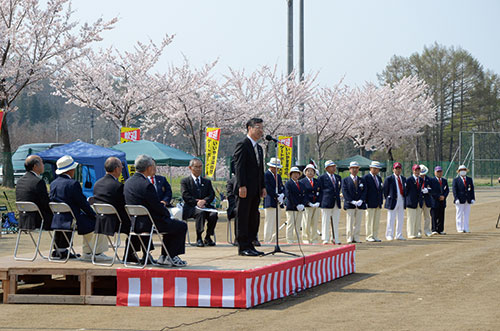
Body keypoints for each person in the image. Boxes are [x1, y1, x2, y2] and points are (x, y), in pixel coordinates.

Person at [124, 154, 187, 266]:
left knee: (171, 224)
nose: (154, 168)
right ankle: (170, 256)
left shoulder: (128, 182)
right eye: (153, 166)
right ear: (148, 168)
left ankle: (165, 256)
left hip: (134, 222)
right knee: (181, 226)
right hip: (149, 223)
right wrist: (167, 214)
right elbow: (156, 206)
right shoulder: (146, 185)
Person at [50, 155, 111, 262]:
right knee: (99, 220)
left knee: (90, 220)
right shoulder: (73, 184)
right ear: (70, 170)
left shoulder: (53, 184)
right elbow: (82, 203)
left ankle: (62, 249)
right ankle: (96, 252)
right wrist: (93, 214)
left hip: (57, 218)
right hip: (71, 219)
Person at [93, 156, 142, 263]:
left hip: (100, 221)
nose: (122, 169)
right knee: (138, 224)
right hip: (115, 222)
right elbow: (124, 205)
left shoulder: (97, 184)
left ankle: (132, 254)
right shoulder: (118, 186)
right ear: (116, 169)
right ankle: (130, 254)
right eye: (121, 166)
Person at [233, 118, 266, 257]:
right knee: (243, 216)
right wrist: (241, 185)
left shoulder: (259, 148)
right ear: (249, 128)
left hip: (256, 188)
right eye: (257, 127)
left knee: (253, 216)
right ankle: (242, 246)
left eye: (262, 128)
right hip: (245, 188)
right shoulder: (242, 144)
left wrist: (262, 186)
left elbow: (260, 169)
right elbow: (239, 167)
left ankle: (251, 244)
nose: (260, 131)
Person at [180, 158, 218, 247]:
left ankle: (208, 236)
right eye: (196, 167)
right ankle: (199, 237)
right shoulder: (185, 181)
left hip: (205, 206)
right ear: (190, 168)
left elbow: (211, 194)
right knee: (200, 213)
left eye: (200, 167)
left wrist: (204, 201)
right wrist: (196, 202)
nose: (198, 169)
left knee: (213, 214)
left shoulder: (207, 181)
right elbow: (185, 195)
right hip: (191, 208)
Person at [318, 160, 342, 244]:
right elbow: (320, 190)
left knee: (335, 220)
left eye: (334, 166)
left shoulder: (338, 177)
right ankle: (325, 238)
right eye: (332, 166)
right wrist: (321, 202)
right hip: (326, 201)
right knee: (326, 220)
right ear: (327, 168)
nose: (334, 168)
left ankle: (335, 238)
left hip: (336, 202)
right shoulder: (322, 178)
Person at [342, 161, 366, 244]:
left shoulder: (361, 180)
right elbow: (345, 192)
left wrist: (361, 200)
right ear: (349, 169)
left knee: (358, 222)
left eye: (356, 168)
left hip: (359, 204)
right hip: (350, 204)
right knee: (350, 221)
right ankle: (349, 237)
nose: (355, 170)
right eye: (353, 168)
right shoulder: (345, 180)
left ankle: (356, 237)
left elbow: (364, 191)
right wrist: (351, 201)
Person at [263, 157, 285, 243]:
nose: (277, 169)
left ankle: (274, 239)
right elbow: (268, 188)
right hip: (270, 201)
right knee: (269, 222)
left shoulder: (278, 176)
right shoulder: (266, 175)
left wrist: (282, 194)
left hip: (278, 202)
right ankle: (267, 240)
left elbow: (281, 187)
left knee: (277, 222)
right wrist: (276, 195)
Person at [384, 162, 406, 241]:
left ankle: (399, 234)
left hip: (401, 199)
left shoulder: (403, 179)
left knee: (400, 218)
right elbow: (385, 190)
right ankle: (389, 234)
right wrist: (389, 197)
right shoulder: (389, 179)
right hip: (392, 200)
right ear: (393, 169)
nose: (398, 170)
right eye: (396, 168)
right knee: (391, 218)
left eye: (399, 169)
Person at [363, 161, 384, 242]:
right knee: (369, 220)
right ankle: (369, 236)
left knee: (376, 220)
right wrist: (366, 202)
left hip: (378, 202)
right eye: (374, 168)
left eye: (377, 169)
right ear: (370, 168)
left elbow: (380, 190)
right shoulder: (366, 178)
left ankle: (375, 235)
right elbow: (365, 191)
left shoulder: (379, 178)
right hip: (370, 202)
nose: (376, 170)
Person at [284, 166, 305, 243]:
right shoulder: (288, 183)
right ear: (291, 175)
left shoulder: (301, 184)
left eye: (297, 174)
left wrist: (302, 204)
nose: (296, 175)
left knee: (298, 225)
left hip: (300, 207)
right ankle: (289, 240)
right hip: (291, 207)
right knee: (290, 224)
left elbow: (304, 195)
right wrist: (296, 204)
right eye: (294, 174)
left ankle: (297, 239)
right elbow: (289, 195)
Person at [300, 164, 320, 244]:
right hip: (307, 205)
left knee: (315, 223)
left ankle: (314, 239)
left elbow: (320, 192)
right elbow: (303, 194)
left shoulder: (317, 181)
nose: (310, 173)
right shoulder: (302, 182)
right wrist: (308, 203)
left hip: (316, 205)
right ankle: (306, 239)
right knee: (306, 223)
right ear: (305, 172)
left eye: (312, 171)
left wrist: (318, 202)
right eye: (308, 171)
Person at [452, 165, 475, 233]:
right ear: (459, 172)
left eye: (464, 170)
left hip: (468, 199)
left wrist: (473, 198)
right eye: (461, 170)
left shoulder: (469, 179)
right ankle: (459, 228)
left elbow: (472, 189)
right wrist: (456, 198)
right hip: (459, 199)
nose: (463, 171)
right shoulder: (456, 180)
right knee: (459, 214)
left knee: (466, 214)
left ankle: (466, 228)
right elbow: (454, 190)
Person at [406, 164, 424, 239]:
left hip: (419, 202)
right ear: (413, 171)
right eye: (415, 170)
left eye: (418, 170)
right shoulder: (409, 180)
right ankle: (410, 233)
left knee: (418, 219)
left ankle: (416, 233)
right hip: (411, 202)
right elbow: (406, 191)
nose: (417, 172)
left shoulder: (421, 180)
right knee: (411, 218)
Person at [430, 166, 449, 235]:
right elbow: (431, 191)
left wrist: (444, 196)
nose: (439, 173)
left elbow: (447, 190)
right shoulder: (432, 180)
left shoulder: (444, 180)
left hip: (442, 201)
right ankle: (434, 229)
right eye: (438, 172)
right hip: (434, 201)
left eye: (440, 171)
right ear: (435, 172)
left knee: (441, 216)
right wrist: (438, 196)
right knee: (434, 216)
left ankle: (440, 229)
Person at [418, 165, 434, 237]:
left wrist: (427, 190)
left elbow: (432, 189)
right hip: (419, 200)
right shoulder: (417, 179)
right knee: (418, 216)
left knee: (427, 216)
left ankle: (427, 230)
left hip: (427, 200)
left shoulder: (429, 179)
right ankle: (418, 231)